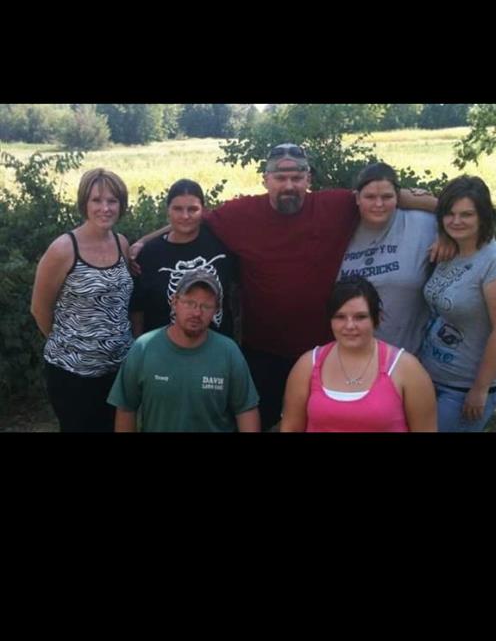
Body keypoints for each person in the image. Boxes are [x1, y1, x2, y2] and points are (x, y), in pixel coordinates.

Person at [131, 144, 439, 430]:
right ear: (266, 179)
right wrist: (146, 241)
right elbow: (190, 219)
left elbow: (382, 194)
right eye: (280, 177)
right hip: (264, 351)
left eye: (296, 176)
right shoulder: (242, 214)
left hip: (323, 350)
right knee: (256, 420)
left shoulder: (335, 205)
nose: (289, 185)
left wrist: (445, 223)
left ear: (309, 178)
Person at [30, 168, 134, 432]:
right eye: (96, 200)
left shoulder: (121, 243)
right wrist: (72, 345)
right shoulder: (63, 249)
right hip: (72, 374)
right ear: (84, 204)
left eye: (112, 201)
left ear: (121, 204)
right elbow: (39, 309)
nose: (105, 208)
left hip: (119, 369)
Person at [419, 175, 496, 432]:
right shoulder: (449, 250)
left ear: (483, 217)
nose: (456, 221)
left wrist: (480, 389)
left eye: (466, 214)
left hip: (464, 386)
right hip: (429, 374)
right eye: (450, 214)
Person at [108, 270, 260, 432]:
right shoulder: (144, 348)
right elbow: (126, 408)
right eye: (189, 303)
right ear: (174, 302)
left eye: (206, 306)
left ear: (216, 310)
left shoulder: (228, 351)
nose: (197, 313)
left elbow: (246, 410)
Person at [280, 280, 437, 432]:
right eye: (340, 317)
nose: (350, 326)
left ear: (377, 318)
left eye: (360, 317)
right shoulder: (308, 364)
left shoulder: (407, 368)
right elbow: (291, 427)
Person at [337, 162, 448, 354]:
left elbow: (473, 225)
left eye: (387, 197)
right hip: (351, 354)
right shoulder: (340, 226)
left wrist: (446, 235)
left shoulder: (423, 223)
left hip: (411, 354)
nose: (378, 204)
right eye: (370, 197)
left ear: (398, 196)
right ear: (357, 198)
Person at [129, 178, 238, 340]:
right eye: (178, 209)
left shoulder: (221, 243)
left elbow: (237, 293)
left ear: (203, 211)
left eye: (192, 209)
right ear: (168, 211)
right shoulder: (150, 254)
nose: (185, 216)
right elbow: (138, 308)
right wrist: (139, 347)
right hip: (162, 349)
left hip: (217, 349)